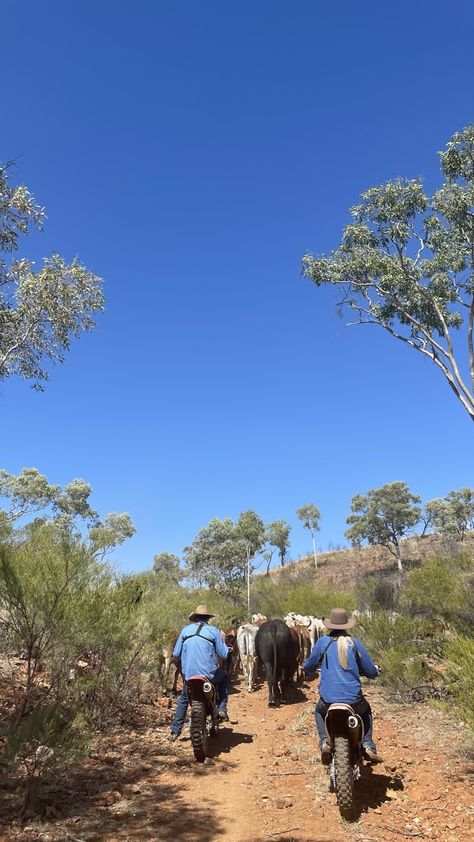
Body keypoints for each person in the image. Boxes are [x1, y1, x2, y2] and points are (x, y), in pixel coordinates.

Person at [303, 607, 383, 764]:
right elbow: (370, 671)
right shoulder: (355, 643)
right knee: (366, 711)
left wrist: (307, 665)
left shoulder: (323, 643)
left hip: (328, 701)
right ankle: (368, 745)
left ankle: (325, 741)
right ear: (347, 626)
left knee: (319, 711)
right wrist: (376, 671)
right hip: (354, 701)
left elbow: (309, 666)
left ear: (330, 625)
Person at [170, 604, 230, 741]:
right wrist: (223, 641)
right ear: (208, 618)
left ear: (195, 618)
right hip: (209, 675)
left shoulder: (185, 630)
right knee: (224, 677)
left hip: (189, 675)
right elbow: (224, 654)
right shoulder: (214, 631)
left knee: (184, 698)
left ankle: (175, 731)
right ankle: (222, 708)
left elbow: (175, 653)